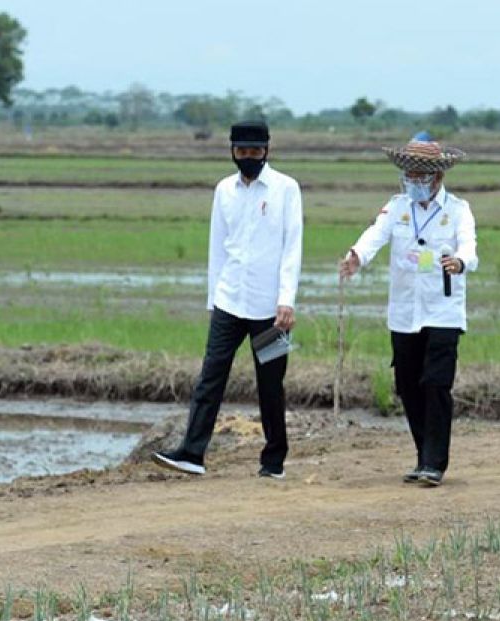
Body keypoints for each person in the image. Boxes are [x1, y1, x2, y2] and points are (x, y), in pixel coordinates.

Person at [153, 120, 303, 479]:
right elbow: (217, 249)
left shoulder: (286, 189)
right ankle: (192, 453)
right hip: (230, 303)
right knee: (211, 377)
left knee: (270, 384)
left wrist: (287, 300)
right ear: (232, 151)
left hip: (272, 310)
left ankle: (273, 461)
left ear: (266, 151)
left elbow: (292, 248)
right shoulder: (224, 190)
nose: (248, 157)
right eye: (241, 151)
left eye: (254, 151)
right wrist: (213, 299)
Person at [338, 133, 478, 487]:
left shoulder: (458, 210)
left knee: (436, 383)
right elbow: (375, 234)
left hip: (442, 310)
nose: (414, 182)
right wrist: (357, 256)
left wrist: (460, 262)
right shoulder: (397, 207)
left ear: (438, 177)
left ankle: (435, 463)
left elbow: (469, 246)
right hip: (404, 312)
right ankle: (422, 455)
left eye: (421, 176)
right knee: (408, 385)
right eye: (410, 175)